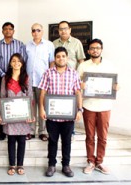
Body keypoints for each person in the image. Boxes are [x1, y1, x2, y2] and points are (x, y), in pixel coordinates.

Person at [39, 47, 82, 178]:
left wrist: (79, 110)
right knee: (52, 140)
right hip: (52, 115)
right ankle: (51, 165)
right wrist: (41, 108)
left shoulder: (74, 73)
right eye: (58, 56)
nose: (61, 58)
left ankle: (66, 165)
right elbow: (43, 92)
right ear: (55, 58)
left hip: (68, 116)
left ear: (67, 58)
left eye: (63, 56)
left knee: (67, 141)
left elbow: (78, 92)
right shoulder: (48, 73)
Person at [77, 39, 119, 175]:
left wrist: (116, 87)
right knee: (90, 136)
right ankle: (90, 161)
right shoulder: (83, 66)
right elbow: (77, 85)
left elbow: (115, 83)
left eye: (98, 48)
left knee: (103, 136)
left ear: (101, 49)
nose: (95, 50)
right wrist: (81, 85)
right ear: (88, 51)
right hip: (88, 105)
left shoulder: (109, 65)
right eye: (92, 48)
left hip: (105, 106)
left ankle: (100, 161)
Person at [0, 22, 27, 141]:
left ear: (13, 31)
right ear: (2, 31)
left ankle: (18, 127)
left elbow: (24, 59)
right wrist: (3, 74)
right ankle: (2, 131)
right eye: (5, 29)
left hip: (17, 77)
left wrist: (15, 73)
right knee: (2, 101)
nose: (8, 31)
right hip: (1, 78)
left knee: (16, 101)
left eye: (10, 29)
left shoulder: (20, 44)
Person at [0, 53, 34, 176]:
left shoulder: (26, 78)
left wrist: (31, 114)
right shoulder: (5, 78)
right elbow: (2, 97)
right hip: (10, 114)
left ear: (22, 63)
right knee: (11, 140)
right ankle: (12, 165)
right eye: (13, 61)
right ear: (10, 63)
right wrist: (2, 115)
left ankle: (20, 164)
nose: (16, 63)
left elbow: (31, 97)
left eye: (18, 61)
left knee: (22, 140)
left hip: (23, 115)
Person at [53, 20, 85, 140]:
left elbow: (81, 61)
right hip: (58, 78)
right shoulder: (54, 43)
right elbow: (52, 62)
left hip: (72, 79)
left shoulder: (77, 43)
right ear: (58, 31)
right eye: (61, 29)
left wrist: (80, 78)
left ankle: (71, 130)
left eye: (65, 28)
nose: (63, 31)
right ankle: (56, 129)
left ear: (70, 29)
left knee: (72, 104)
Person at [25, 23, 54, 141]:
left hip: (44, 82)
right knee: (31, 108)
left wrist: (50, 79)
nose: (36, 32)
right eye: (33, 30)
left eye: (38, 30)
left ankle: (42, 131)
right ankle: (30, 131)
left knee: (42, 106)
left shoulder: (49, 45)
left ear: (42, 32)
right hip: (30, 82)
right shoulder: (27, 46)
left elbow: (52, 62)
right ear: (31, 32)